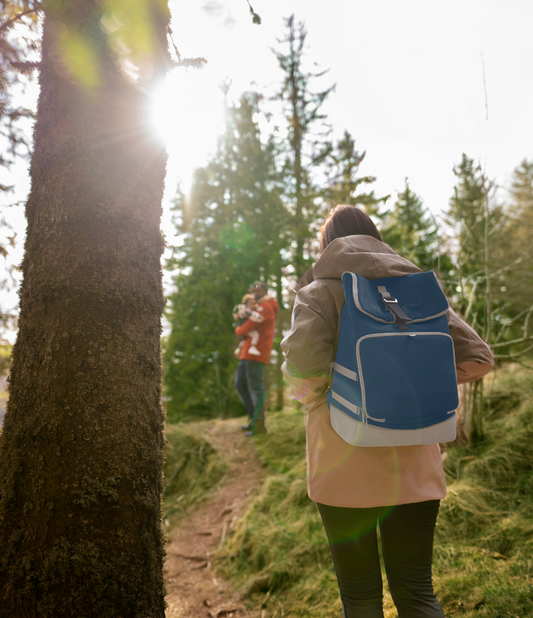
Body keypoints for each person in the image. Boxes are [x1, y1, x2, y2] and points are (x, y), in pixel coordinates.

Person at [280, 205, 494, 618]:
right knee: (416, 592)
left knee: (359, 598)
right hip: (414, 464)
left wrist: (319, 394)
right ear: (377, 238)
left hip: (341, 464)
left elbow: (303, 369)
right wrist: (413, 380)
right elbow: (479, 359)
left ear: (326, 245)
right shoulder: (418, 292)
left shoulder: (320, 291)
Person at [234, 281, 279, 436]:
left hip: (257, 352)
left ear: (265, 291)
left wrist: (238, 329)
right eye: (253, 290)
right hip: (247, 352)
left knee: (255, 387)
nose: (254, 293)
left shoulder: (266, 307)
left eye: (258, 291)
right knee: (240, 384)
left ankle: (260, 425)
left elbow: (247, 327)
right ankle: (254, 420)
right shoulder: (258, 306)